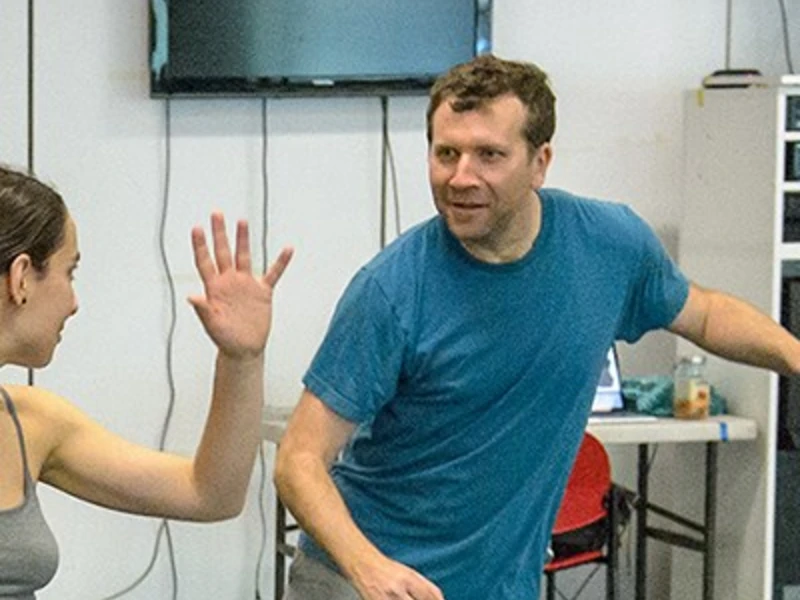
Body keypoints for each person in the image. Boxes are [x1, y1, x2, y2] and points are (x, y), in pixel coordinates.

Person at [273, 53, 800, 600]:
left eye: (489, 156)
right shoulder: (390, 290)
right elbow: (299, 459)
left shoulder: (609, 245)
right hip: (359, 581)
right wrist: (369, 568)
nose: (461, 177)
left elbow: (707, 314)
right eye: (445, 153)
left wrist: (793, 355)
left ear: (540, 162)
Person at [0, 165, 292, 597]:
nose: (74, 303)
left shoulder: (32, 421)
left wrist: (242, 359)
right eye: (69, 272)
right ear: (22, 277)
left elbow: (211, 494)